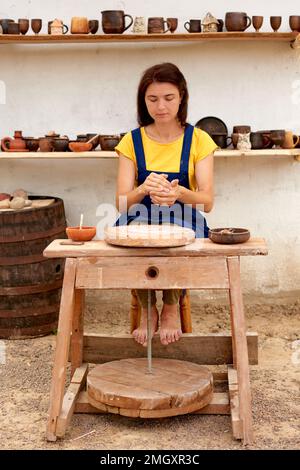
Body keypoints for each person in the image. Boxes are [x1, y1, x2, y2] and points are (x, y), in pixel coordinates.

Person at [114, 63, 217, 347]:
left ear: (182, 96)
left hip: (184, 217)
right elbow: (122, 203)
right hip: (139, 216)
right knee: (133, 240)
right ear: (143, 101)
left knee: (176, 239)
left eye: (168, 98)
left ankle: (171, 305)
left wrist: (181, 193)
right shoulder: (131, 141)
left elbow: (207, 201)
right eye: (153, 99)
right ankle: (148, 309)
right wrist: (142, 189)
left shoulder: (199, 139)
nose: (161, 106)